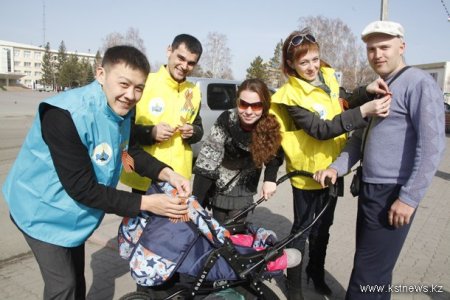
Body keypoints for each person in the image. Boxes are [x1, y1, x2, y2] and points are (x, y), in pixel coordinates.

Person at [2, 45, 191, 300]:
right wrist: (148, 203)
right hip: (40, 210)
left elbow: (128, 152)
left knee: (76, 280)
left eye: (139, 88)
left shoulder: (124, 109)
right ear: (101, 74)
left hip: (73, 213)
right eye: (123, 84)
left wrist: (168, 174)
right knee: (64, 285)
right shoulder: (63, 115)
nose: (130, 95)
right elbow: (83, 188)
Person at [314, 21, 445, 300]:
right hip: (370, 189)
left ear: (402, 46)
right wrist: (336, 168)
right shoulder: (380, 87)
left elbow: (432, 146)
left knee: (366, 276)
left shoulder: (418, 83)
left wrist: (409, 198)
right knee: (375, 273)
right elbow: (358, 140)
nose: (377, 54)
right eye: (371, 49)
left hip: (393, 192)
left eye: (384, 47)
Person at [269, 28, 393, 299]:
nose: (312, 67)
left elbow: (342, 103)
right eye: (303, 62)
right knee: (301, 230)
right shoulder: (290, 96)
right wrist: (363, 112)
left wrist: (365, 91)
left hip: (334, 170)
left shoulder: (327, 77)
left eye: (314, 59)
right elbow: (321, 129)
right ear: (291, 64)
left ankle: (316, 272)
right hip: (307, 175)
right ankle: (294, 285)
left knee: (324, 228)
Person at [120, 34, 204, 194]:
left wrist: (193, 131)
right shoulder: (144, 83)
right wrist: (150, 132)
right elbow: (122, 128)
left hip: (178, 177)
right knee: (141, 219)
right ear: (169, 51)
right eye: (181, 58)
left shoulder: (194, 92)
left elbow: (199, 129)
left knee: (173, 220)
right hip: (145, 174)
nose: (184, 66)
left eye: (191, 63)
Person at [192, 78, 284, 224]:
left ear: (264, 106)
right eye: (244, 104)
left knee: (235, 234)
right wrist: (195, 203)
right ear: (237, 102)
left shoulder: (270, 125)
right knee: (218, 233)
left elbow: (275, 155)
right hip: (220, 189)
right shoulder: (227, 120)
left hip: (244, 189)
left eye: (256, 106)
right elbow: (207, 162)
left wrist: (270, 179)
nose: (248, 111)